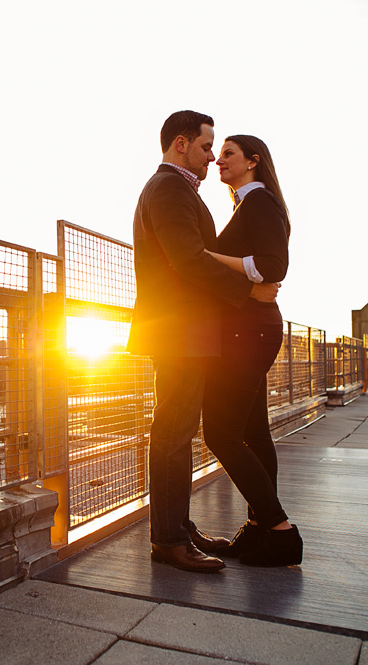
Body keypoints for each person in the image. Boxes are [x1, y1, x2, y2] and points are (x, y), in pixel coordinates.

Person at [128, 111, 279, 573]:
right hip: (178, 330)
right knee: (173, 432)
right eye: (206, 146)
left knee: (178, 432)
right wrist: (249, 291)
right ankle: (169, 541)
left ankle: (177, 528)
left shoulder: (174, 190)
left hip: (184, 329)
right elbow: (188, 259)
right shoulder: (170, 189)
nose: (212, 156)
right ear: (180, 144)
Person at [200, 134, 302, 567]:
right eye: (218, 153)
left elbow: (272, 267)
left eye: (228, 154)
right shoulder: (249, 205)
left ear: (253, 162)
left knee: (220, 433)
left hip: (248, 333)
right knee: (254, 432)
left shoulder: (260, 203)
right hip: (249, 329)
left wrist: (207, 256)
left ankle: (281, 531)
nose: (219, 160)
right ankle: (261, 528)